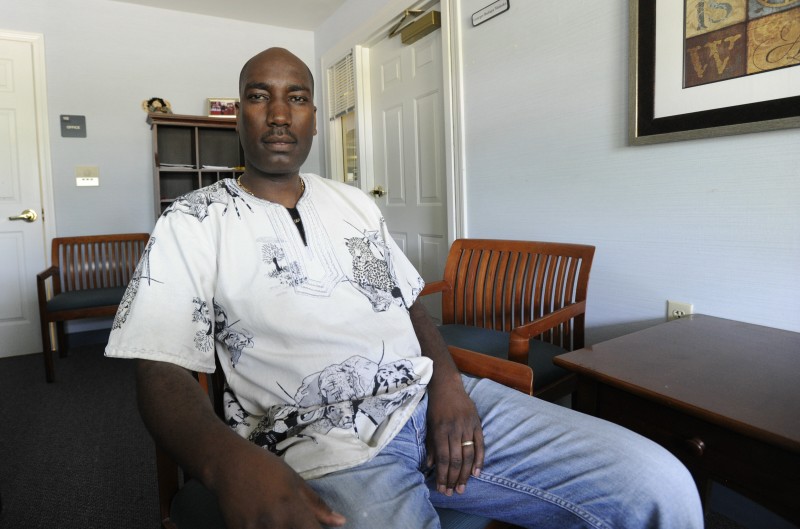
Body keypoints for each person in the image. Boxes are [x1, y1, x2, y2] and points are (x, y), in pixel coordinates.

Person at [106, 47, 704, 529]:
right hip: (322, 445)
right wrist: (226, 463)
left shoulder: (353, 204)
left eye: (298, 98)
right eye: (260, 97)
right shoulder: (192, 220)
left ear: (314, 117)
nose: (280, 114)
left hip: (428, 403)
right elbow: (159, 369)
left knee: (659, 485)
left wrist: (449, 387)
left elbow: (410, 307)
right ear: (238, 114)